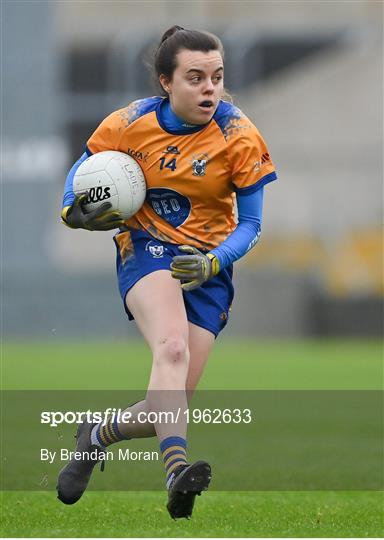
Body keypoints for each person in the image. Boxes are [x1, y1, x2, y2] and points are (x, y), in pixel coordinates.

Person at [57, 25, 277, 520]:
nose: (210, 89)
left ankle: (96, 434)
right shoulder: (129, 123)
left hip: (209, 265)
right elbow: (84, 169)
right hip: (146, 246)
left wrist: (213, 262)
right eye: (195, 78)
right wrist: (72, 205)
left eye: (217, 78)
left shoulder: (238, 135)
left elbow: (254, 225)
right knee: (171, 348)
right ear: (165, 82)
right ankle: (176, 473)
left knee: (166, 405)